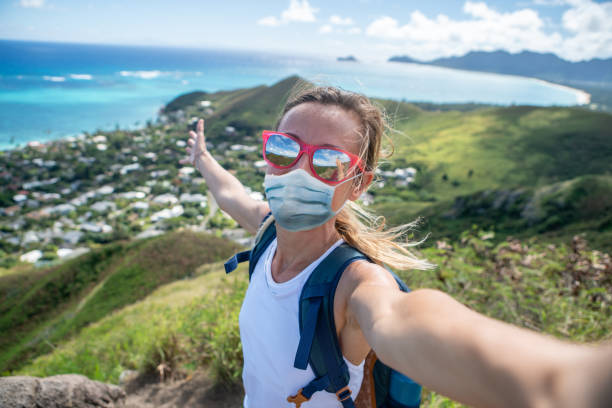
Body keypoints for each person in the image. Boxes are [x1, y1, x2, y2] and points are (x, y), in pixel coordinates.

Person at [179, 85, 612, 408]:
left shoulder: (354, 284)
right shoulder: (268, 230)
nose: (299, 170)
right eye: (284, 149)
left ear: (358, 185)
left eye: (328, 163)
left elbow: (403, 321)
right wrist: (202, 158)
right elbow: (231, 194)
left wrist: (563, 382)